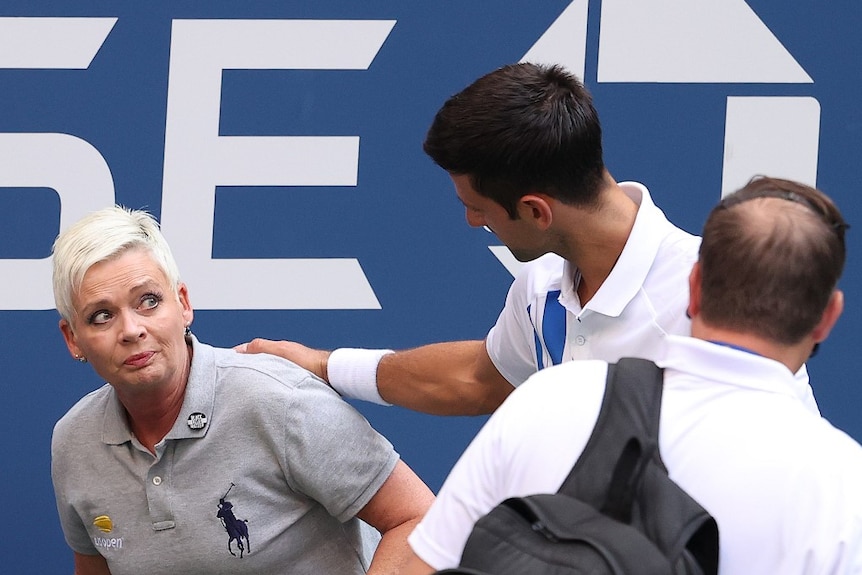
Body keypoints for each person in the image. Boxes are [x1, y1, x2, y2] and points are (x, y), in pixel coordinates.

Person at [237, 62, 818, 416]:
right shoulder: (543, 283)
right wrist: (318, 364)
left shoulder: (717, 301)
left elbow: (783, 478)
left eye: (478, 209)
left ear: (536, 210)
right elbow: (479, 378)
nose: (471, 223)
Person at [403, 177, 862, 574]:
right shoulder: (846, 489)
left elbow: (425, 565)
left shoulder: (549, 399)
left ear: (695, 286)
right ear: (828, 317)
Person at [49, 206, 434, 575]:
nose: (131, 329)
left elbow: (420, 520)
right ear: (73, 340)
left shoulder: (281, 402)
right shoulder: (74, 441)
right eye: (102, 315)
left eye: (148, 301)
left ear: (183, 304)